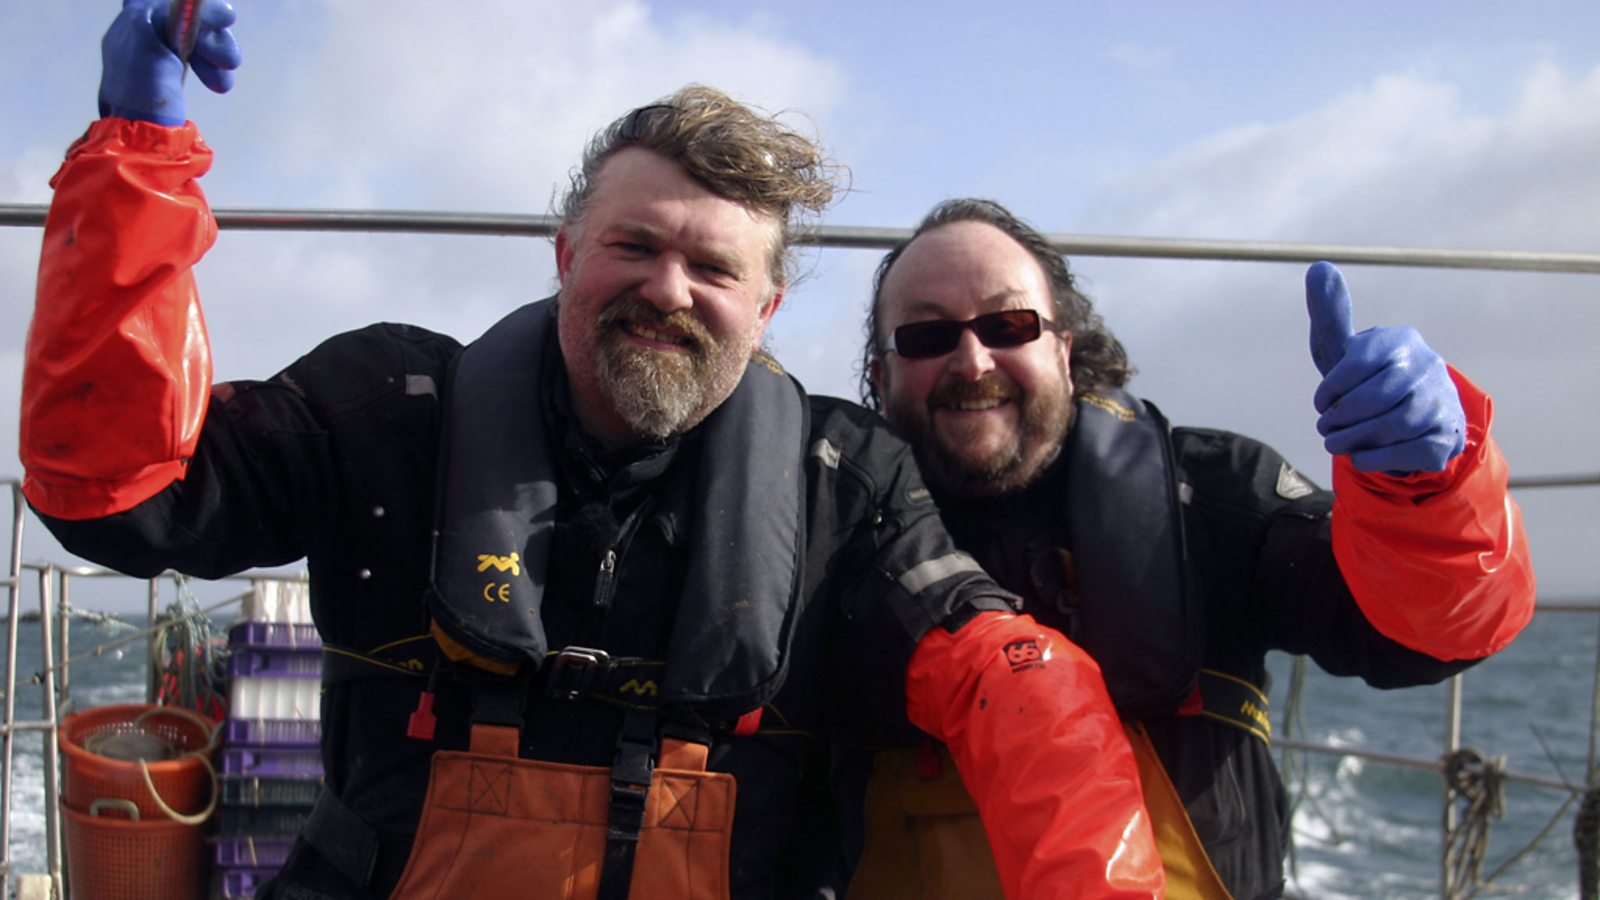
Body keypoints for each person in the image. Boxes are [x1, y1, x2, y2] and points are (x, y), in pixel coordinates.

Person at [20, 5, 1164, 899]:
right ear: (566, 252)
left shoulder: (844, 483)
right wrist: (137, 156)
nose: (667, 289)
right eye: (633, 244)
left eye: (713, 269)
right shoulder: (385, 410)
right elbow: (118, 493)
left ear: (764, 310)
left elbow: (1012, 686)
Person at [857, 198, 1536, 899]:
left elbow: (1424, 639)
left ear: (1063, 349)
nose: (973, 361)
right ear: (880, 376)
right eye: (927, 335)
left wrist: (1421, 492)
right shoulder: (826, 541)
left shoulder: (1212, 496)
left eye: (1009, 325)